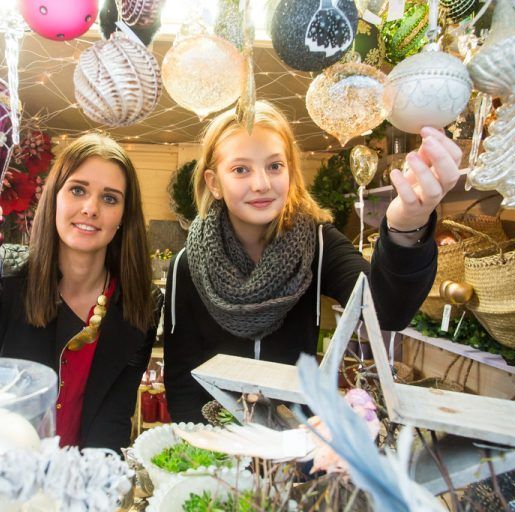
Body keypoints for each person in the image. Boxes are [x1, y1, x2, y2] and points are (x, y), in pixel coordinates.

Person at [164, 101, 462, 423]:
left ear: (290, 171)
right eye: (241, 169)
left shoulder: (317, 243)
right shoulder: (188, 264)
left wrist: (406, 226)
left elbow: (387, 310)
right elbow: (182, 376)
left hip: (298, 435)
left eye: (275, 166)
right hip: (217, 437)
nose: (261, 183)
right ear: (214, 183)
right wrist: (198, 445)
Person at [0, 133, 161, 452]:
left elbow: (113, 420)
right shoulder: (6, 269)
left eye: (110, 198)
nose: (91, 208)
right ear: (54, 198)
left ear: (124, 216)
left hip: (85, 475)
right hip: (7, 468)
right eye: (78, 190)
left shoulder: (142, 302)